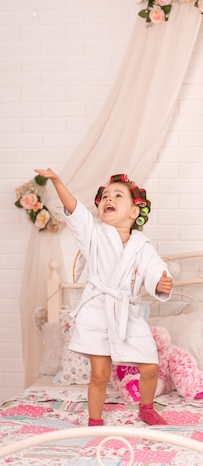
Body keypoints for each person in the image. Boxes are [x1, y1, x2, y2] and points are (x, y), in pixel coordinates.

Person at [35, 168, 173, 427]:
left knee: (150, 366)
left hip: (127, 312)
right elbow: (75, 212)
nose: (108, 199)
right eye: (105, 196)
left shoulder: (142, 246)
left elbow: (155, 269)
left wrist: (161, 282)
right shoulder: (93, 235)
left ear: (134, 212)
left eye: (118, 196)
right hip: (97, 311)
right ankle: (95, 420)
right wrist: (58, 183)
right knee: (99, 374)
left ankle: (146, 407)